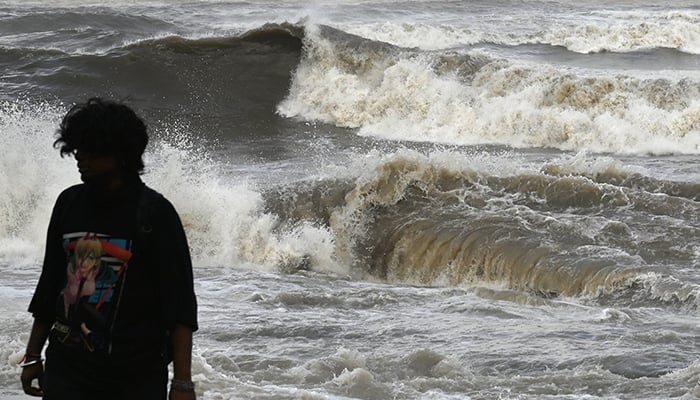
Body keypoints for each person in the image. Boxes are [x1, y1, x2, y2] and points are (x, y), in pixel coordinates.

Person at [19, 98, 198, 400]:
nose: (80, 158)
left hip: (135, 375)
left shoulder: (154, 213)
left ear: (120, 154)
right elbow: (50, 285)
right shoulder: (68, 204)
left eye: (91, 149)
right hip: (67, 369)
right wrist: (33, 355)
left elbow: (179, 304)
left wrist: (182, 382)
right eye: (77, 148)